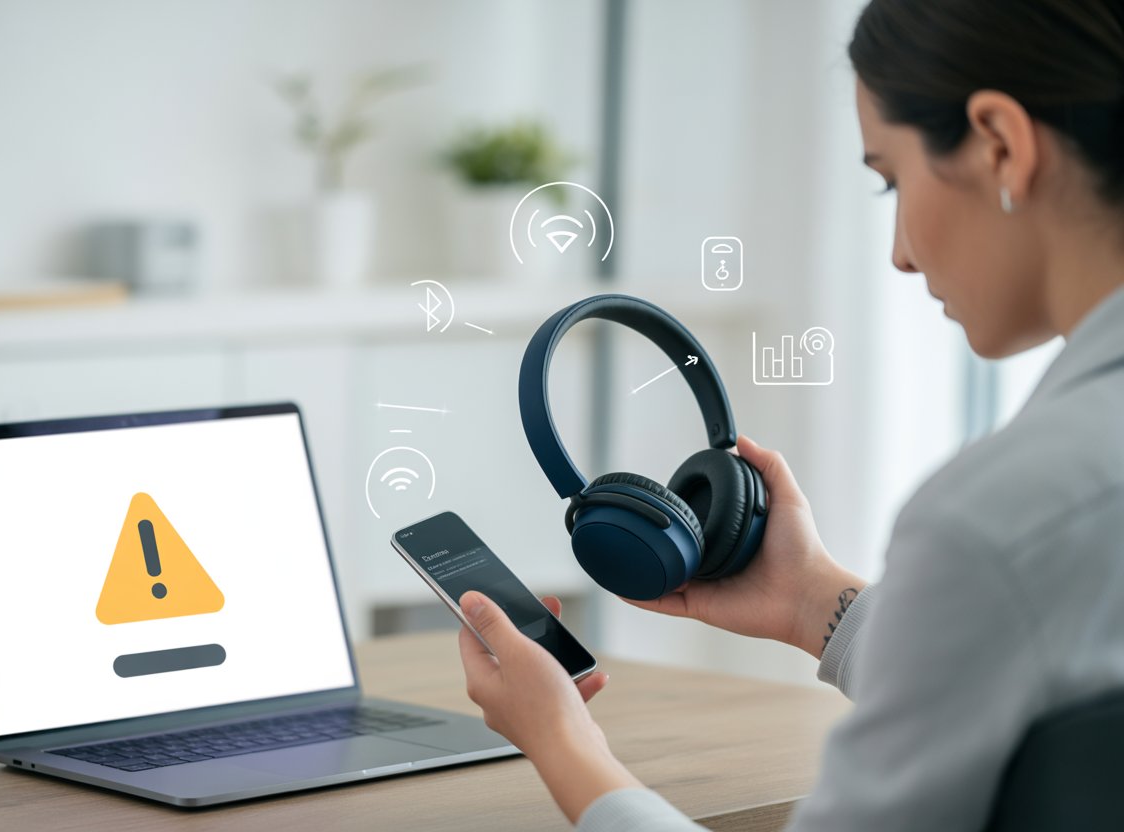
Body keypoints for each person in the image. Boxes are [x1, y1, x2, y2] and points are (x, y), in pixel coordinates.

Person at [455, 0, 1124, 828]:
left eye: (891, 179)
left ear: (1000, 144)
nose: (900, 254)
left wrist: (558, 735)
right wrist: (812, 601)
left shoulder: (1001, 518)